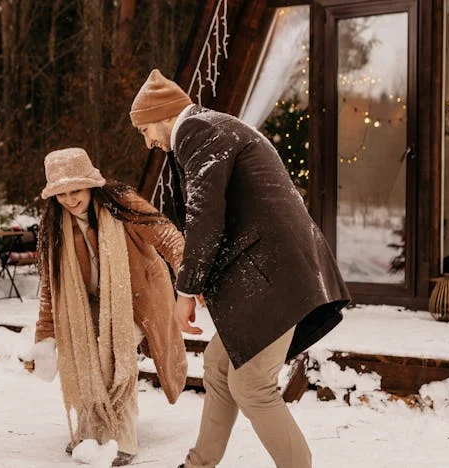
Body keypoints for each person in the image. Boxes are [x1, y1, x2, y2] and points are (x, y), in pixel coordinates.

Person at [130, 69, 351, 468]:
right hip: (275, 274)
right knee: (219, 365)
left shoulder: (197, 131)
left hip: (276, 277)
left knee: (251, 384)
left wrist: (186, 289)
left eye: (145, 130)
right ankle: (199, 463)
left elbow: (205, 216)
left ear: (164, 116)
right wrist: (203, 277)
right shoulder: (213, 128)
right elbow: (224, 217)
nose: (148, 142)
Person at [30, 147, 188, 466]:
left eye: (76, 190)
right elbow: (51, 288)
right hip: (90, 304)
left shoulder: (121, 203)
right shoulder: (54, 226)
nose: (69, 200)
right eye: (61, 194)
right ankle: (90, 430)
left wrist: (190, 280)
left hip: (138, 298)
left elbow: (168, 236)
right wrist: (45, 336)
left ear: (90, 184)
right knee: (85, 356)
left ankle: (121, 436)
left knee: (117, 357)